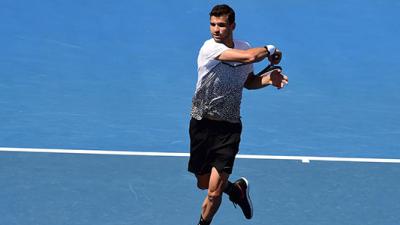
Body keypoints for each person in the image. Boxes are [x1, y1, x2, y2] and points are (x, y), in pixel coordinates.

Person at [188, 4, 288, 225]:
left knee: (213, 194)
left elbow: (249, 82)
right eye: (213, 24)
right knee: (204, 183)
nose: (216, 30)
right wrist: (271, 48)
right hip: (201, 124)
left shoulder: (244, 48)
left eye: (221, 25)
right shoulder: (209, 49)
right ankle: (237, 190)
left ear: (232, 26)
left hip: (229, 129)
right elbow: (249, 58)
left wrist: (269, 78)